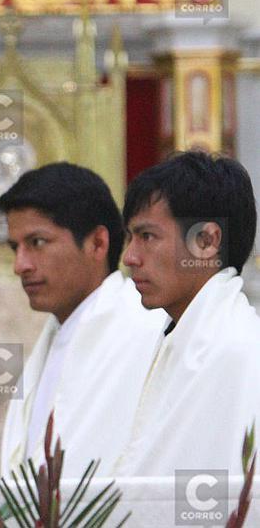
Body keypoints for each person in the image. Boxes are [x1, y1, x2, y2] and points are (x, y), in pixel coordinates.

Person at [0, 163, 166, 478]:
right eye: (14, 248)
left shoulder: (148, 334)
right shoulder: (54, 335)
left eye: (37, 243)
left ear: (97, 244)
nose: (20, 265)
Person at [114, 150, 260, 476]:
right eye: (130, 238)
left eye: (147, 236)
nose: (130, 257)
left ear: (206, 242)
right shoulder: (177, 337)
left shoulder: (237, 352)